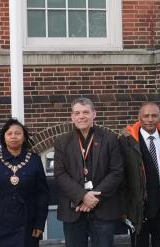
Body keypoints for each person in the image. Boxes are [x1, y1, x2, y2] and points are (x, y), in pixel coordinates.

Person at [54, 97, 124, 247]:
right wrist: (82, 196)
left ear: (94, 114)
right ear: (72, 117)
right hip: (73, 209)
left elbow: (116, 172)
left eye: (86, 112)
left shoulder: (110, 139)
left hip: (103, 208)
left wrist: (93, 197)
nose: (81, 116)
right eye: (77, 113)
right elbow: (60, 174)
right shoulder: (62, 141)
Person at [120, 102, 160, 247]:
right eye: (146, 116)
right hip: (139, 207)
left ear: (159, 117)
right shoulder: (125, 142)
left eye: (154, 115)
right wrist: (124, 209)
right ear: (139, 117)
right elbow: (121, 178)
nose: (150, 119)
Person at [0, 119, 49, 247]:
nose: (13, 137)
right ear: (4, 138)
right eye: (9, 133)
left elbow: (42, 195)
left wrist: (40, 223)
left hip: (28, 225)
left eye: (17, 133)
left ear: (23, 137)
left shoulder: (34, 160)